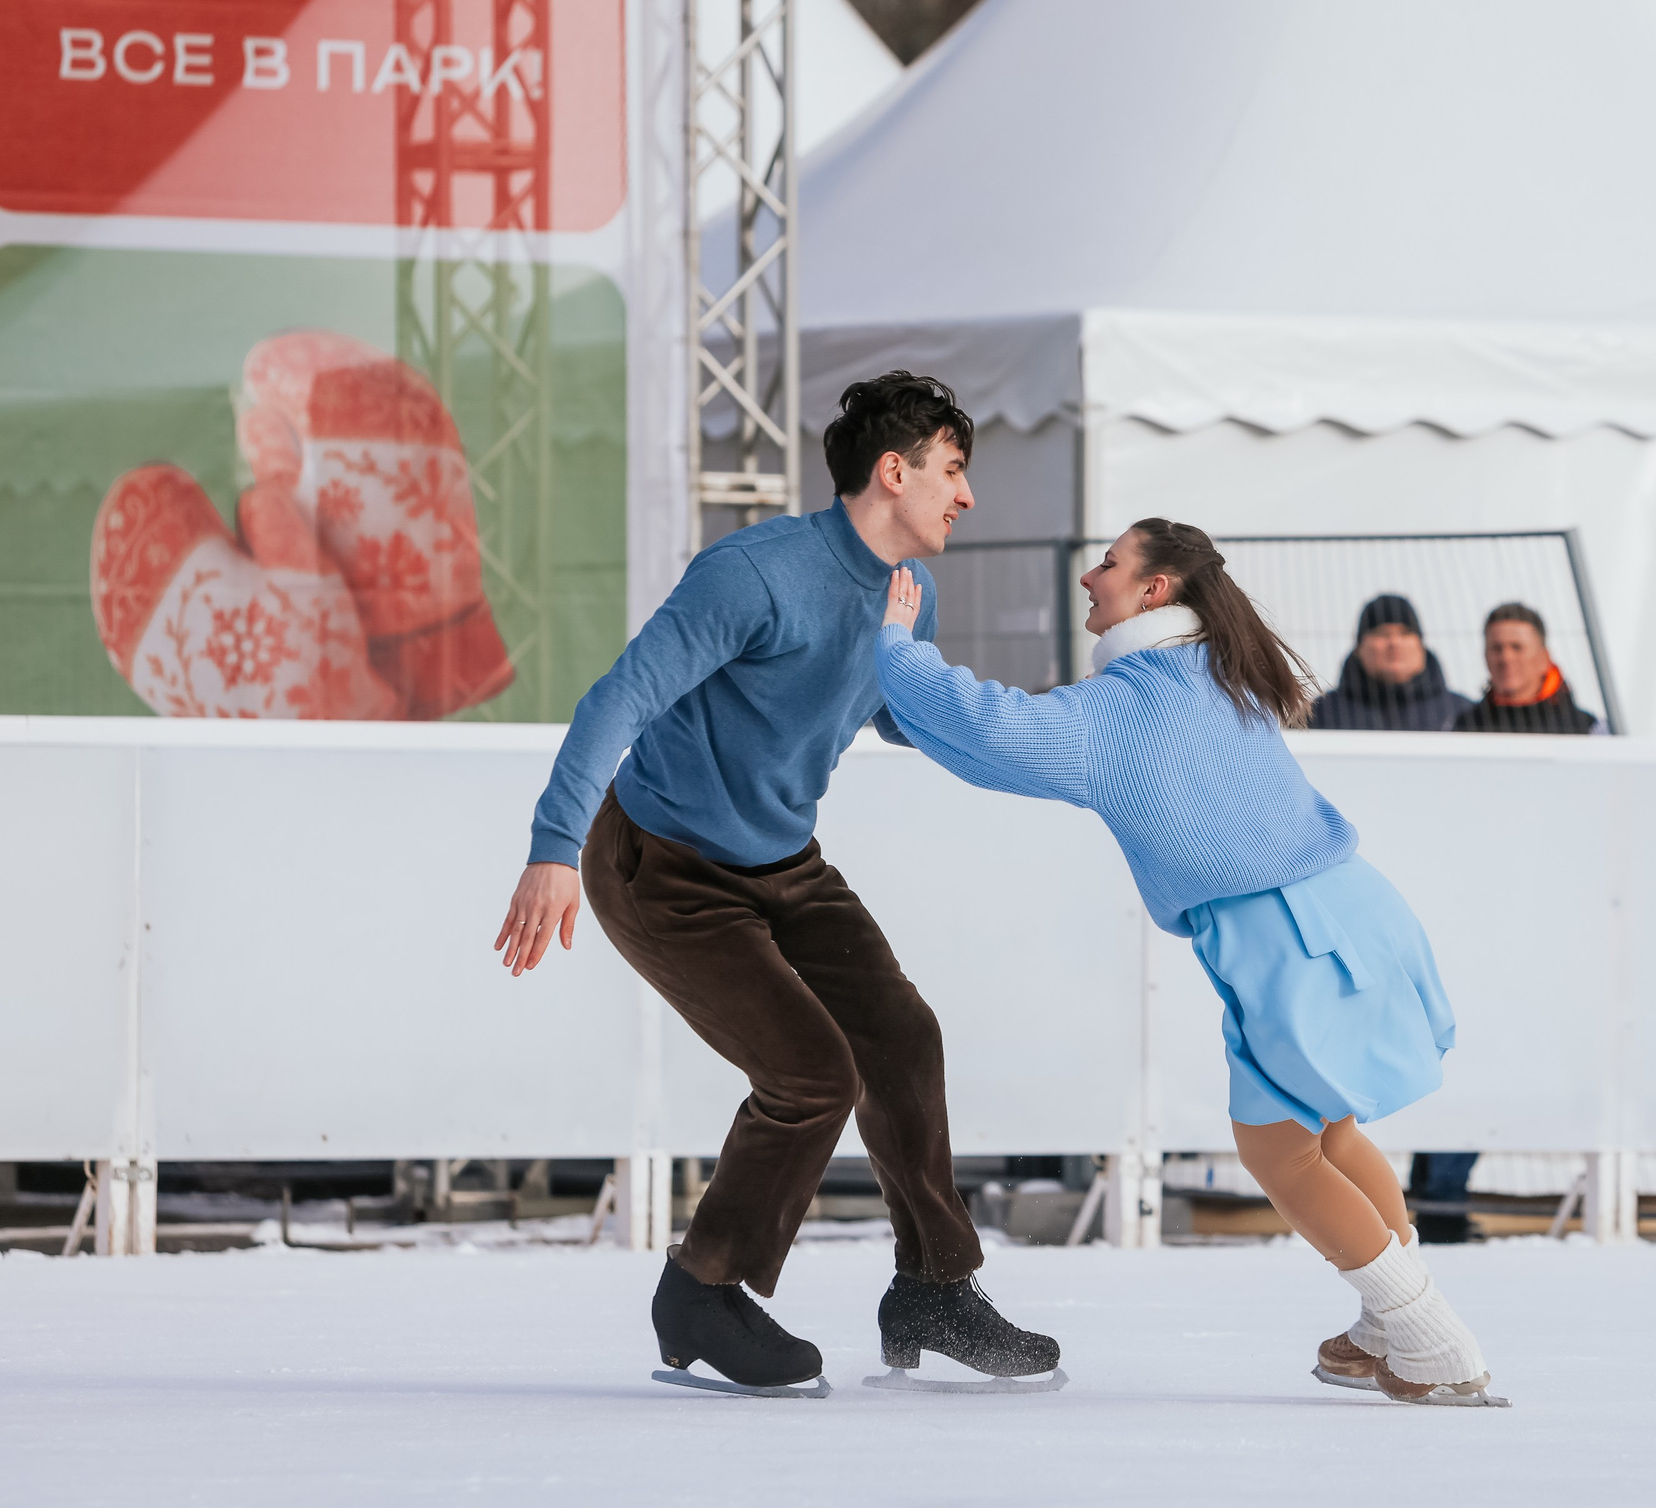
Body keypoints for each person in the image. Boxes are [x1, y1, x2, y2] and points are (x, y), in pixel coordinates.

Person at [491, 372, 1056, 1397]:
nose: (967, 495)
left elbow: (899, 712)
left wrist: (1050, 737)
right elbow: (618, 698)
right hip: (660, 864)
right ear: (895, 472)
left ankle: (933, 1288)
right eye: (953, 469)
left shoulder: (908, 594)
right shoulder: (753, 574)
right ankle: (700, 1292)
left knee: (901, 1035)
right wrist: (551, 848)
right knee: (811, 1076)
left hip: (782, 860)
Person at [875, 519, 1502, 1407]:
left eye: (1109, 563)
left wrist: (896, 652)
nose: (1090, 576)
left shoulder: (1127, 707)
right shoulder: (1212, 668)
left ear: (1156, 589)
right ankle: (1384, 1325)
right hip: (1344, 909)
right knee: (1328, 1134)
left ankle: (1432, 1339)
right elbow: (996, 748)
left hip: (1288, 939)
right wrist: (903, 702)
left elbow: (995, 726)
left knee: (1281, 1152)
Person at [1308, 594, 1468, 732]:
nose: (1394, 642)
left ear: (1421, 646)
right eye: (1382, 633)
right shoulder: (1320, 714)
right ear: (1359, 648)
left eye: (1405, 633)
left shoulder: (1463, 714)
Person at [1450, 603, 1600, 734]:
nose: (1506, 658)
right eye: (1496, 648)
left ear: (1544, 658)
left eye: (1517, 647)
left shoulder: (1586, 730)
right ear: (1485, 656)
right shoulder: (1465, 729)